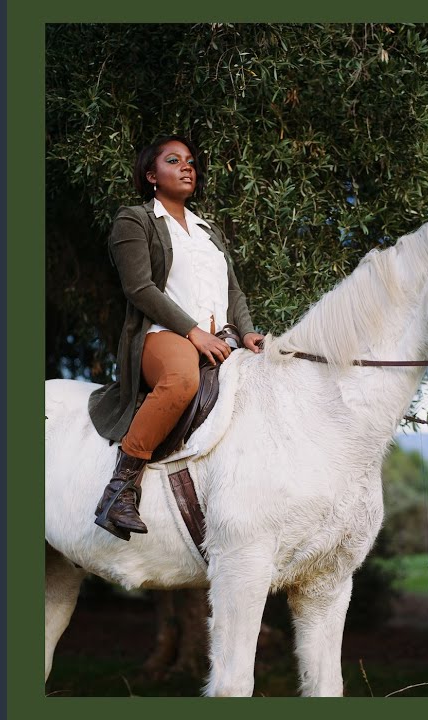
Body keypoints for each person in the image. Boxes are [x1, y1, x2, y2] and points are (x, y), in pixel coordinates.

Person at [87, 135, 264, 540]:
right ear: (151, 176)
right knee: (182, 380)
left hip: (222, 339)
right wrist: (193, 332)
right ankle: (119, 490)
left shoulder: (208, 230)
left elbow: (233, 290)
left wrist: (248, 330)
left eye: (190, 161)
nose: (187, 167)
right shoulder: (135, 220)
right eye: (173, 160)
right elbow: (139, 288)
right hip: (162, 335)